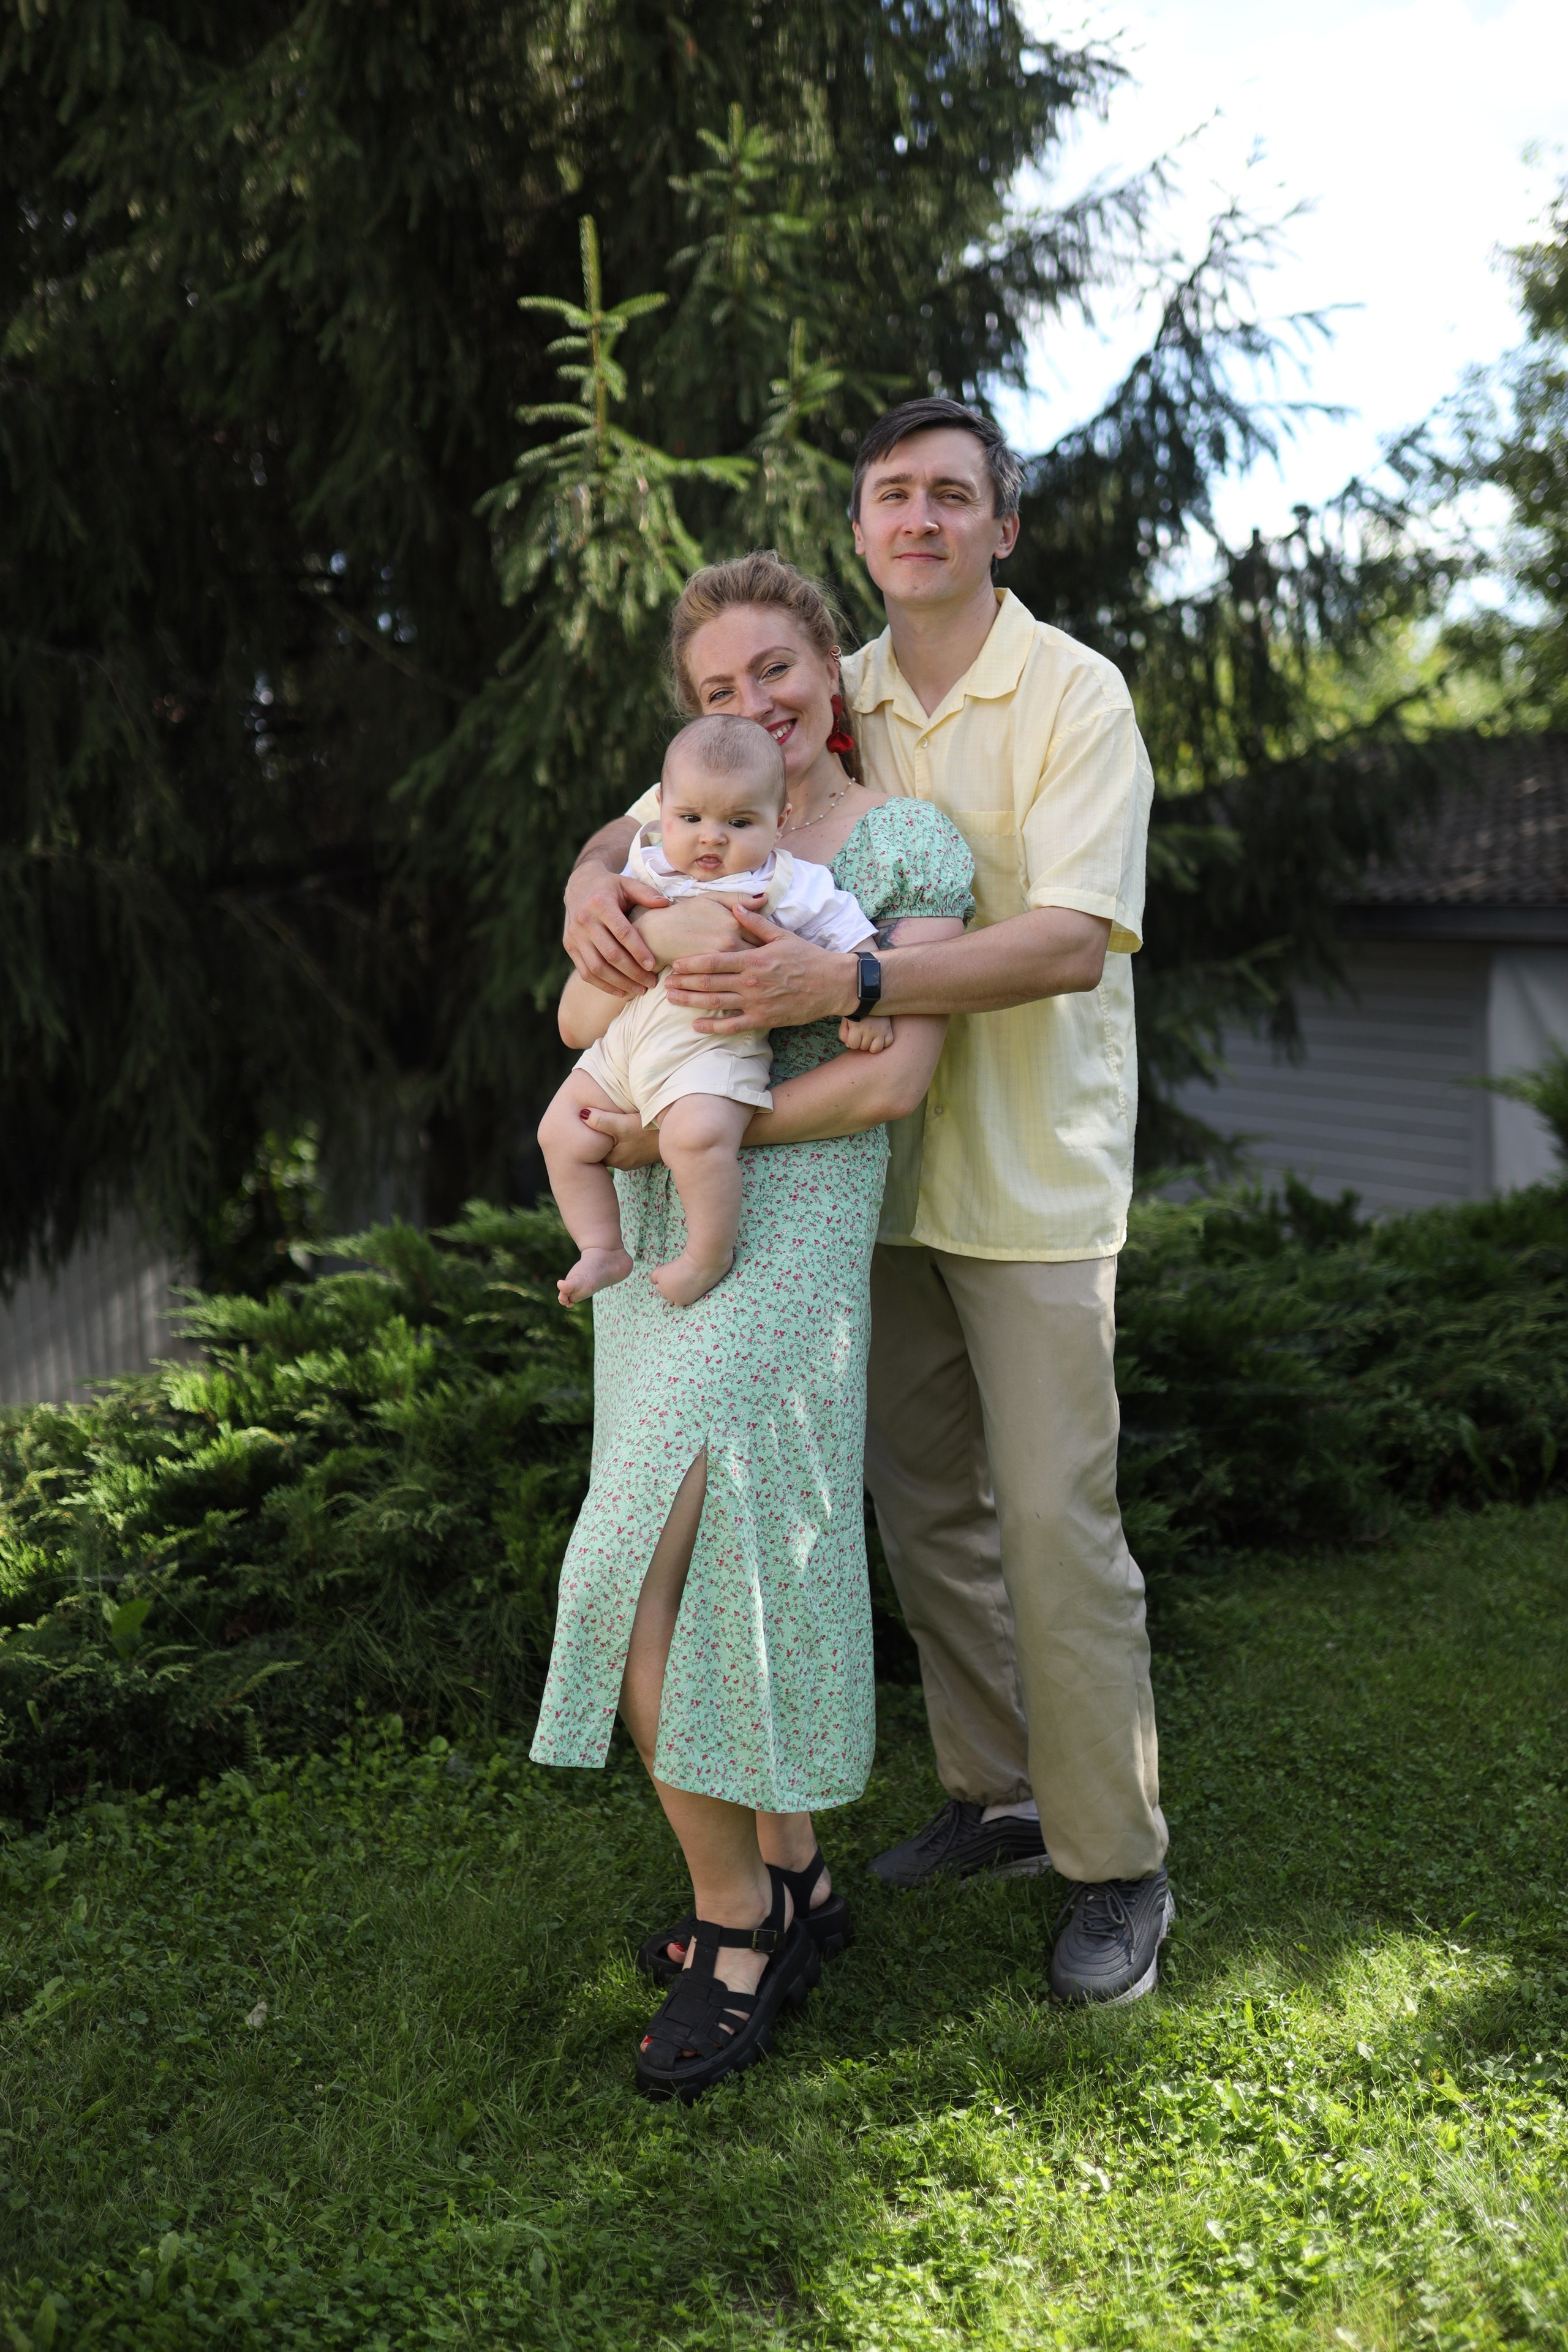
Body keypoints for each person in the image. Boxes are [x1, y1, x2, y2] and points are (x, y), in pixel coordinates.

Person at [565, 399, 1170, 2008]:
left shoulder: (1070, 696)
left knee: (1054, 1519)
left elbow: (1064, 939)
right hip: (864, 1200)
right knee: (928, 1512)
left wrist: (855, 972)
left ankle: (1118, 1868)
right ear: (859, 537)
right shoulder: (838, 697)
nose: (921, 518)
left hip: (1024, 1169)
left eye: (952, 495)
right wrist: (587, 875)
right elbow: (673, 817)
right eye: (893, 496)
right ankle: (1000, 1797)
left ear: (1000, 524)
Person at [532, 551, 974, 2097]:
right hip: (653, 1227)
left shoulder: (899, 845)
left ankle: (735, 1927)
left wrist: (674, 1130)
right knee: (698, 1561)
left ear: (828, 671)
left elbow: (891, 1077)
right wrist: (608, 908)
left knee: (631, 1555)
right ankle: (784, 1878)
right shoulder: (671, 834)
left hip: (777, 1229)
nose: (752, 706)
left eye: (773, 671)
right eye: (717, 689)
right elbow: (580, 1024)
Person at [538, 714, 893, 1311]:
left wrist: (869, 1005)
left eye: (738, 822)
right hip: (626, 1038)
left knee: (695, 1137)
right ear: (662, 812)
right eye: (691, 818)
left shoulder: (787, 882)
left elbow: (849, 934)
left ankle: (708, 1252)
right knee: (559, 1131)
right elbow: (601, 951)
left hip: (709, 1044)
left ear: (778, 822)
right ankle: (602, 1245)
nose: (710, 838)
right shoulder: (646, 866)